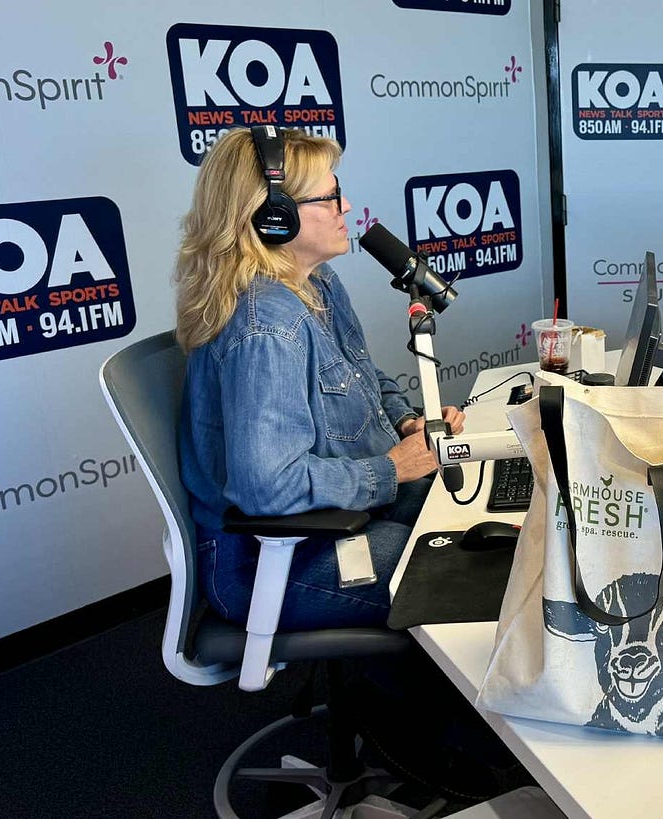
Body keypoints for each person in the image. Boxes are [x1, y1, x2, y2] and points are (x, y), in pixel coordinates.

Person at [175, 127, 465, 631]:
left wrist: (406, 424)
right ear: (273, 216)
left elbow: (363, 375)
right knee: (456, 567)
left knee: (469, 520)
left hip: (329, 518)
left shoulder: (317, 282)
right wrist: (392, 469)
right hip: (269, 560)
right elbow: (268, 489)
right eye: (329, 197)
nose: (346, 206)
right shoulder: (265, 328)